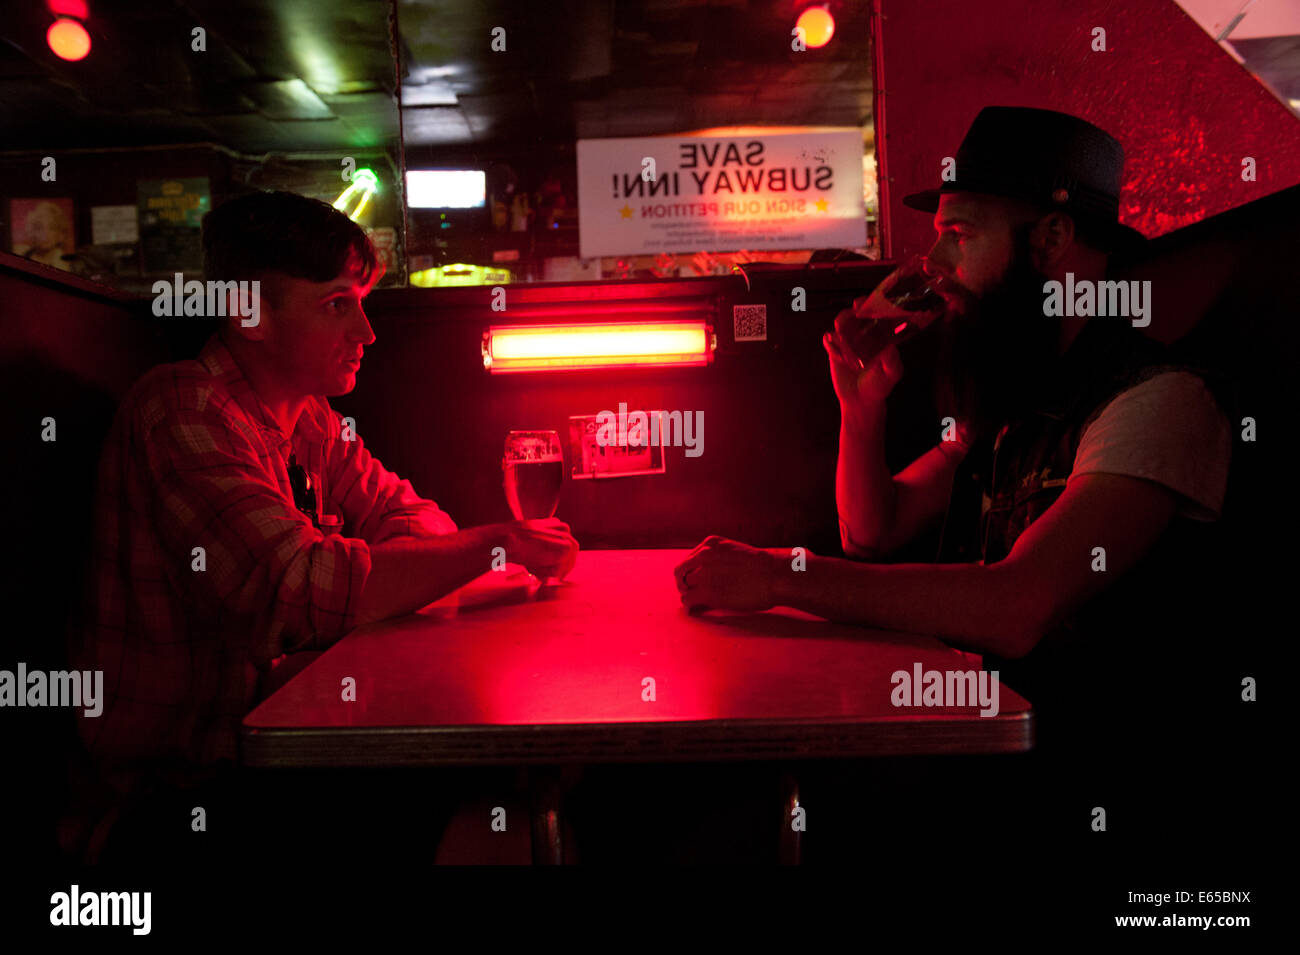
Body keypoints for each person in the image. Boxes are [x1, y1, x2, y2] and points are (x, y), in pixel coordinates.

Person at [673, 108, 1234, 858]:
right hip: (981, 755)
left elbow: (1016, 604)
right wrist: (860, 410)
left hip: (1087, 794)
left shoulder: (1159, 399)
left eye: (960, 234)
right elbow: (873, 528)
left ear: (1053, 238)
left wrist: (781, 574)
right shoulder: (1016, 397)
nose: (934, 261)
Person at [64, 190, 578, 866]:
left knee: (513, 790)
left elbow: (417, 519)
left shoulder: (306, 417)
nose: (366, 332)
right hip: (175, 796)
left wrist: (372, 575)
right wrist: (494, 544)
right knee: (499, 827)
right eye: (338, 304)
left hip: (281, 752)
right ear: (250, 314)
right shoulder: (181, 408)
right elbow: (296, 588)